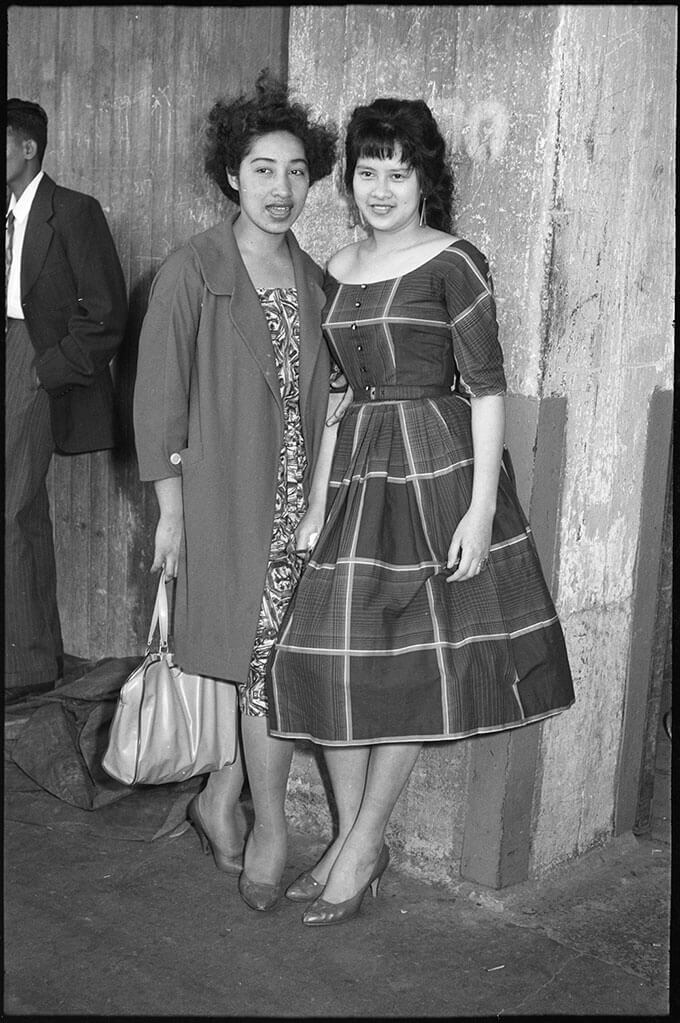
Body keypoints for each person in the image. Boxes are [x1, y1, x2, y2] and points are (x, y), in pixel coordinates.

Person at [267, 96, 576, 926]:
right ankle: (345, 838)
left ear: (424, 180)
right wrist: (316, 501)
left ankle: (364, 842)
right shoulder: (337, 263)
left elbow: (485, 390)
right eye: (366, 172)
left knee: (406, 669)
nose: (378, 189)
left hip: (434, 470)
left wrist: (479, 508)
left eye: (396, 174)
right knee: (321, 656)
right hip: (359, 471)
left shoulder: (455, 263)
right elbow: (337, 394)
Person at [133, 71, 344, 913]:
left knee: (266, 663)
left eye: (296, 171)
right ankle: (267, 825)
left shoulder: (319, 278)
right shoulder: (194, 269)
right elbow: (158, 397)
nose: (281, 188)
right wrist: (172, 514)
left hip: (304, 502)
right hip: (229, 496)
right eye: (263, 169)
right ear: (231, 174)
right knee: (259, 665)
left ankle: (220, 799)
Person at [5, 98, 128, 705]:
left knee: (10, 508)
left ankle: (25, 670)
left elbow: (106, 314)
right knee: (18, 510)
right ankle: (32, 654)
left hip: (33, 358)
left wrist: (44, 372)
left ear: (28, 148)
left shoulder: (73, 211)